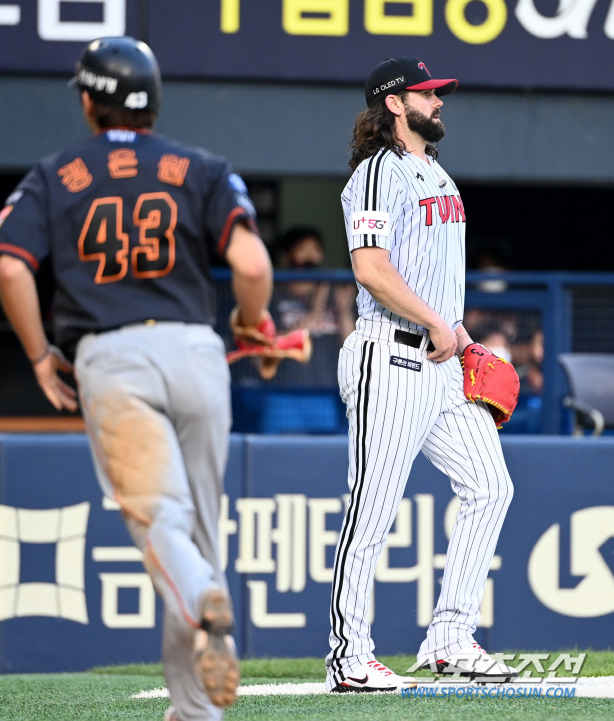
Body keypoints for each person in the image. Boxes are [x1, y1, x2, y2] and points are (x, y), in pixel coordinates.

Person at [0, 37, 272, 721]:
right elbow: (253, 267)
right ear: (154, 101)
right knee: (199, 527)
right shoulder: (199, 166)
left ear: (88, 100)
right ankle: (194, 708)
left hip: (112, 357)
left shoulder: (57, 173)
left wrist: (37, 354)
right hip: (198, 353)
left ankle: (200, 595)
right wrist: (253, 323)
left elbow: (12, 267)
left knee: (163, 526)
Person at [325, 57, 517, 692]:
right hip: (390, 353)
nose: (439, 102)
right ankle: (349, 657)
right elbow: (371, 269)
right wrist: (438, 323)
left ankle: (449, 640)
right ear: (394, 105)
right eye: (427, 94)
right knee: (373, 507)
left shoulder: (435, 172)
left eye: (439, 94)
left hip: (439, 360)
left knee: (490, 486)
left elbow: (429, 280)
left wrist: (459, 336)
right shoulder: (378, 172)